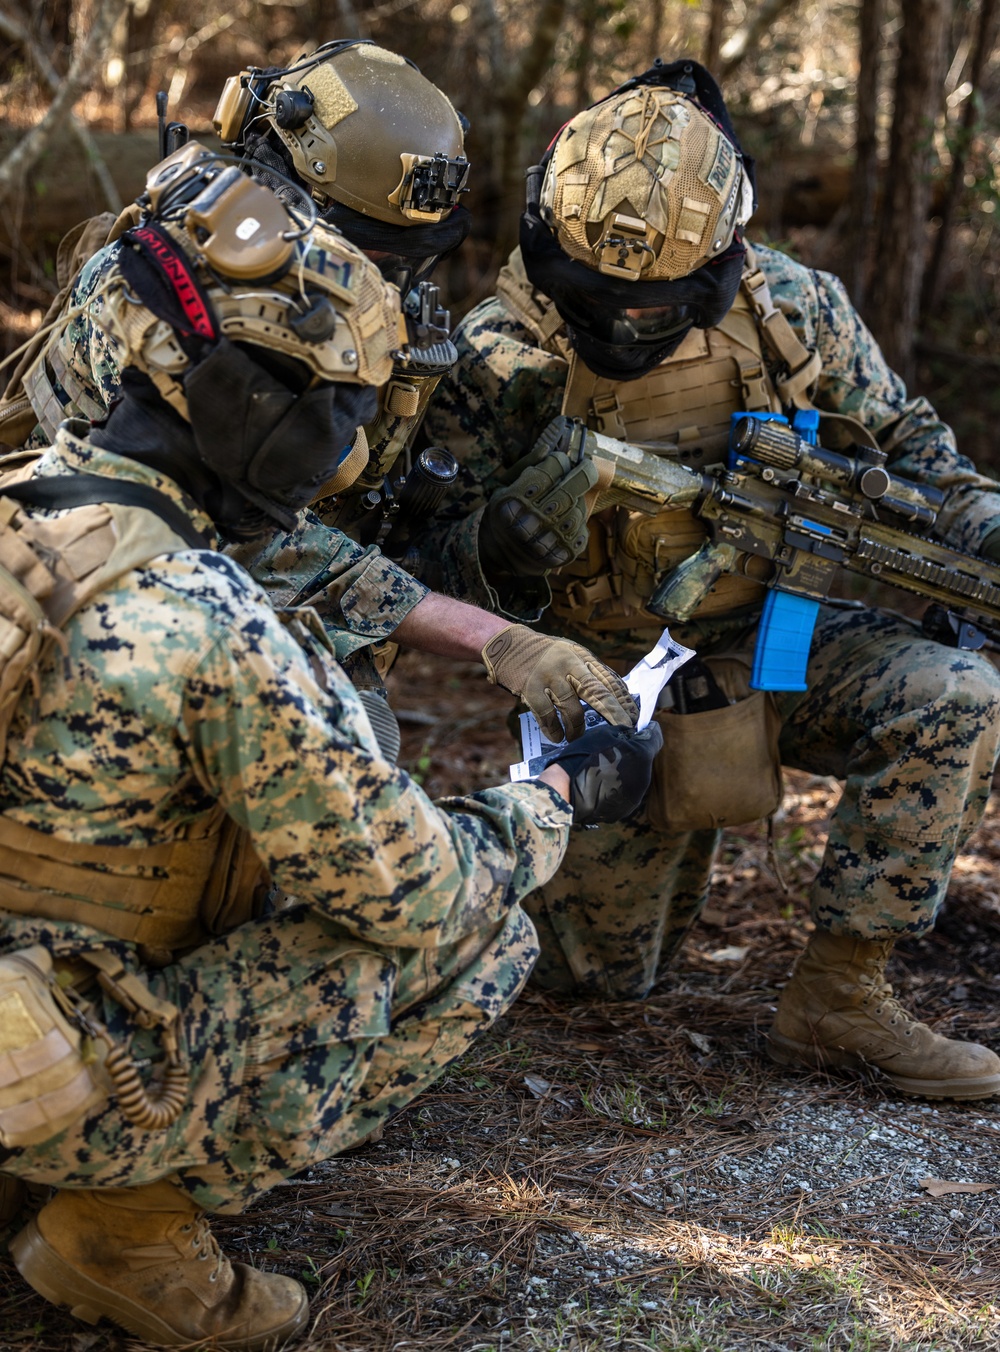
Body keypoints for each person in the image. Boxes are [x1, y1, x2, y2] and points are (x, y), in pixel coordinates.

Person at [0, 162, 661, 1348]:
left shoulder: (20, 505)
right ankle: (129, 1226)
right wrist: (556, 797)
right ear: (264, 411)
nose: (347, 457)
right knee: (481, 931)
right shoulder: (209, 618)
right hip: (57, 1073)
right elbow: (417, 889)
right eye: (341, 416)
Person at [414, 58, 1000, 1101]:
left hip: (783, 634)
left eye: (660, 305)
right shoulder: (495, 358)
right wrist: (501, 543)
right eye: (603, 303)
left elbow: (919, 456)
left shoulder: (792, 309)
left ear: (724, 256)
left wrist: (982, 527)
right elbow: (410, 564)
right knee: (595, 986)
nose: (630, 325)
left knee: (954, 692)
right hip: (608, 674)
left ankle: (839, 995)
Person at [0, 40, 638, 755]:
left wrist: (492, 552)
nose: (379, 282)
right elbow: (251, 540)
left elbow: (377, 511)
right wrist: (494, 639)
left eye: (400, 261)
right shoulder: (162, 297)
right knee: (337, 748)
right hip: (96, 584)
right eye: (366, 252)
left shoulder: (342, 300)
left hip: (258, 587)